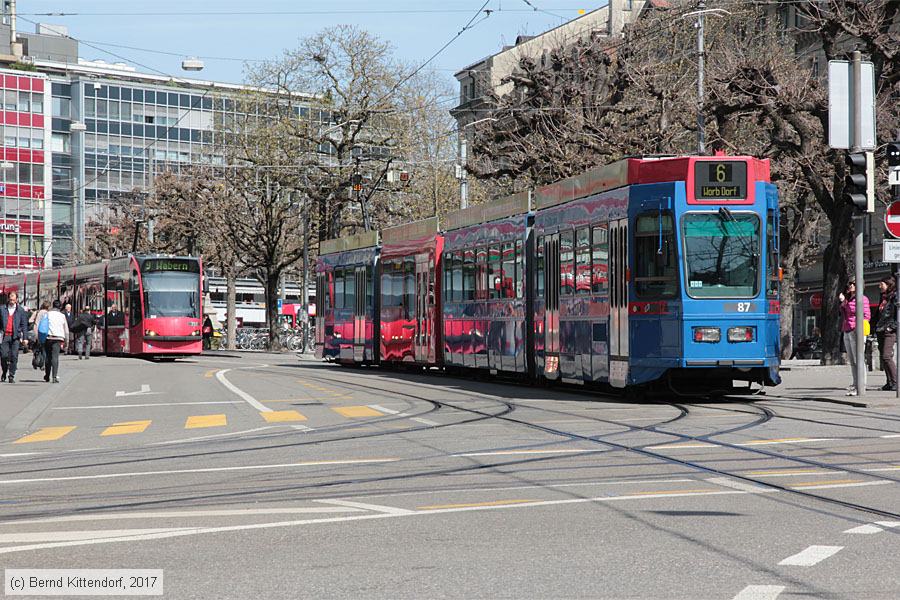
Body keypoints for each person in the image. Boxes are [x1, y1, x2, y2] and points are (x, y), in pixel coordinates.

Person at [839, 281, 871, 396]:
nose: (850, 286)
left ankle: (861, 385)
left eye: (853, 284)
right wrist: (843, 302)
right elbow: (843, 313)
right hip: (847, 329)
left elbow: (867, 316)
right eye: (849, 285)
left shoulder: (863, 299)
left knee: (859, 359)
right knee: (852, 361)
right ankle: (855, 383)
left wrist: (859, 328)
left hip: (857, 330)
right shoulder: (849, 299)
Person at [0, 291, 29, 384]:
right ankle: (4, 371)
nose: (12, 301)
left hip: (15, 337)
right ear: (8, 299)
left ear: (16, 300)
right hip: (5, 336)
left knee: (14, 356)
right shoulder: (2, 309)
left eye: (13, 299)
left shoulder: (20, 310)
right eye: (10, 299)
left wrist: (25, 337)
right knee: (4, 355)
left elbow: (24, 325)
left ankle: (11, 375)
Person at [876, 277, 898, 391]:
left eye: (882, 284)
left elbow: (896, 314)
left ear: (889, 285)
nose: (880, 286)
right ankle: (889, 382)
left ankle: (896, 381)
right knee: (883, 357)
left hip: (889, 330)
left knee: (886, 356)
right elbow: (879, 314)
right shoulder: (883, 297)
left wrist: (891, 327)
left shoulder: (895, 297)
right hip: (880, 329)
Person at [43, 300, 69, 383]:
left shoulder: (47, 314)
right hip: (58, 338)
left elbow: (42, 326)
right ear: (60, 307)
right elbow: (66, 331)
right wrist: (66, 342)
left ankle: (47, 376)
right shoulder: (62, 316)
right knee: (55, 357)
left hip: (48, 337)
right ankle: (54, 377)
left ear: (52, 306)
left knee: (48, 357)